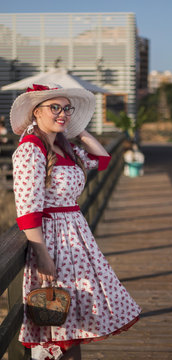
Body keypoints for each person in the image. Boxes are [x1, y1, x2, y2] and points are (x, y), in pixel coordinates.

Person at [11, 83, 141, 360]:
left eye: (67, 108)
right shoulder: (30, 150)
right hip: (52, 243)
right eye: (54, 107)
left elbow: (102, 159)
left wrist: (77, 131)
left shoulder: (63, 147)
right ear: (36, 112)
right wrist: (42, 254)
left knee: (74, 321)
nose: (62, 113)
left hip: (75, 240)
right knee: (56, 322)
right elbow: (27, 209)